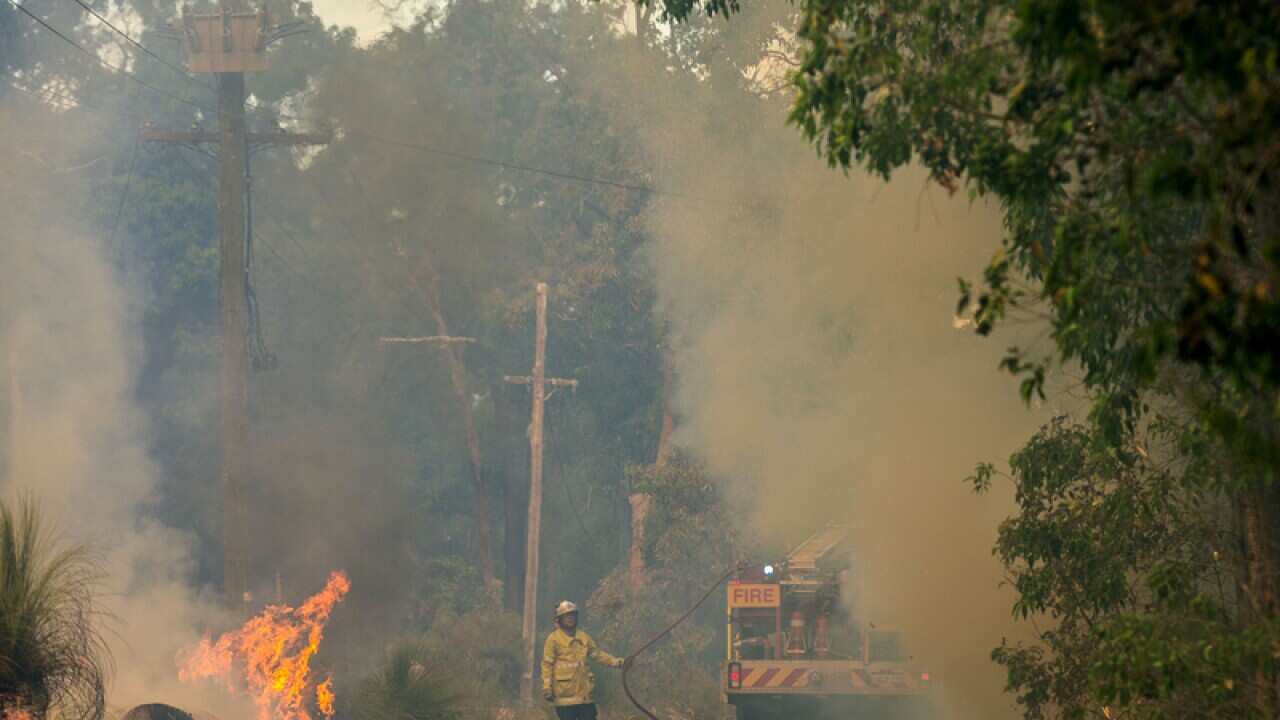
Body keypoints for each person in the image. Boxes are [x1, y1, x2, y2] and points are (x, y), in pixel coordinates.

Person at [541, 600, 628, 720]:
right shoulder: (553, 640)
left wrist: (617, 662)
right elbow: (547, 664)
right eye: (566, 616)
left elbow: (597, 655)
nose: (570, 618)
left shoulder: (583, 637)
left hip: (585, 698)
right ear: (559, 619)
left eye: (572, 615)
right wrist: (547, 687)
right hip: (564, 699)